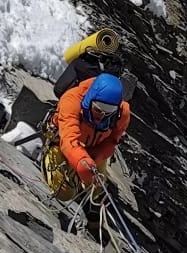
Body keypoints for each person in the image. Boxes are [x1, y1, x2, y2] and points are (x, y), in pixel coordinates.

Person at [42, 71, 131, 202]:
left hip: (93, 149)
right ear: (90, 100)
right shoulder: (71, 101)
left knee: (97, 191)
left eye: (108, 112)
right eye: (98, 109)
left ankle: (81, 186)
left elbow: (112, 141)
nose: (101, 115)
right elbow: (69, 139)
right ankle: (46, 158)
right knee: (64, 193)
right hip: (62, 144)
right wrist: (82, 162)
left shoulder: (121, 114)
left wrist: (97, 156)